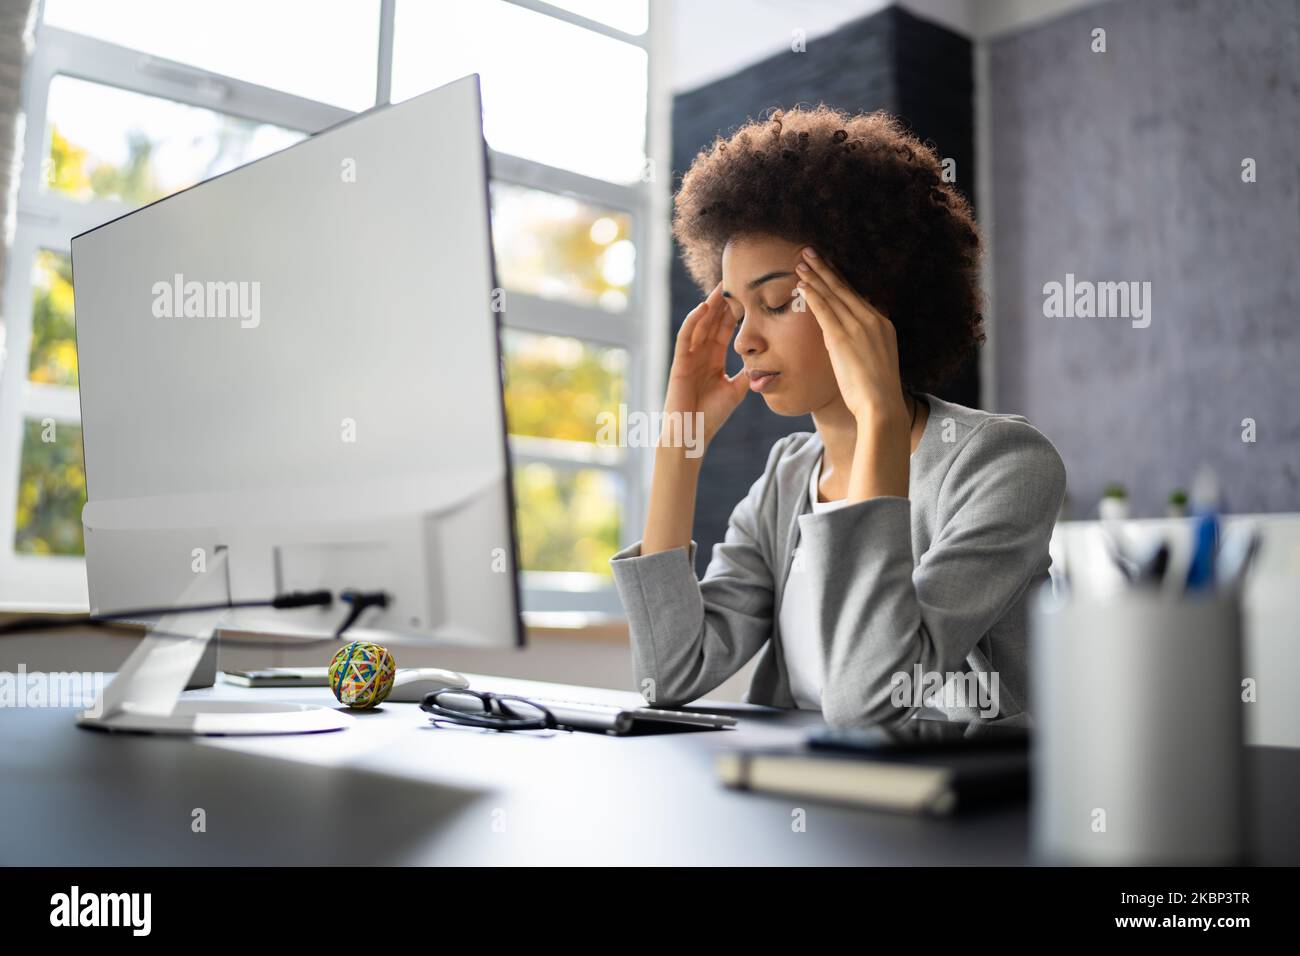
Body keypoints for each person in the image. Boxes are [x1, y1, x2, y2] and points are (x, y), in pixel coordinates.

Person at [608, 106, 1067, 728]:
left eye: (776, 302)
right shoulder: (788, 474)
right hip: (812, 801)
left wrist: (878, 414)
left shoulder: (1002, 464)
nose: (743, 340)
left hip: (965, 815)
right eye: (739, 310)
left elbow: (871, 700)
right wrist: (679, 443)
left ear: (871, 302)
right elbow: (669, 674)